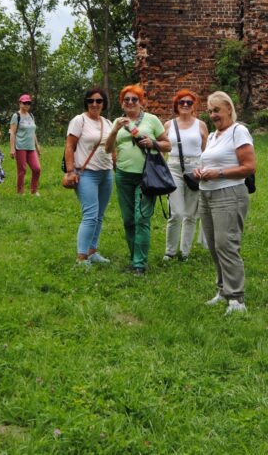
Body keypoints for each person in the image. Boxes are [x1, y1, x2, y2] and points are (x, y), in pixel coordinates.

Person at [193, 91, 256, 315]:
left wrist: (218, 172)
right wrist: (200, 171)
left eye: (217, 110)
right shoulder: (212, 136)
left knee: (226, 245)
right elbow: (211, 160)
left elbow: (249, 167)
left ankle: (236, 299)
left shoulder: (239, 131)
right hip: (206, 194)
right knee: (213, 245)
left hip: (229, 194)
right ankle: (222, 290)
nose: (213, 115)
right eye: (210, 111)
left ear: (229, 109)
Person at [104, 85, 170, 275]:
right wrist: (115, 130)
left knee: (141, 218)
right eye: (127, 100)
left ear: (141, 102)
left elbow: (168, 146)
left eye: (134, 99)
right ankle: (134, 259)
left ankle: (140, 265)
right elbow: (108, 149)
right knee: (128, 220)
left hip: (146, 176)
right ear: (122, 103)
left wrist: (153, 143)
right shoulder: (118, 122)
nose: (130, 102)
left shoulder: (152, 120)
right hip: (123, 176)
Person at [64, 87, 114, 267]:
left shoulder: (107, 123)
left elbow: (111, 148)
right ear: (86, 102)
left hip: (106, 173)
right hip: (86, 174)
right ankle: (81, 257)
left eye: (98, 101)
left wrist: (115, 167)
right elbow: (69, 146)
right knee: (90, 215)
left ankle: (93, 251)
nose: (94, 104)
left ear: (104, 104)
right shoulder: (79, 120)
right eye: (91, 101)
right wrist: (70, 171)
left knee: (99, 215)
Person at [163, 90, 208, 261]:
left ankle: (185, 252)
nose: (185, 105)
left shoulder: (201, 125)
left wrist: (203, 169)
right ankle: (170, 251)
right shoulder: (169, 125)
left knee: (190, 214)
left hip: (194, 169)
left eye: (189, 102)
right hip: (174, 167)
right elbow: (164, 146)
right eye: (181, 102)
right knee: (176, 212)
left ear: (193, 105)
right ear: (176, 105)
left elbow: (205, 150)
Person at [9, 93, 42, 196]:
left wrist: (37, 146)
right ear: (20, 103)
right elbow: (12, 133)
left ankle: (34, 190)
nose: (27, 105)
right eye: (25, 103)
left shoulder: (31, 116)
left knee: (37, 169)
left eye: (29, 103)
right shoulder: (16, 116)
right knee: (22, 170)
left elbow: (33, 132)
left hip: (31, 147)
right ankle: (20, 192)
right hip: (20, 147)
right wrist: (12, 148)